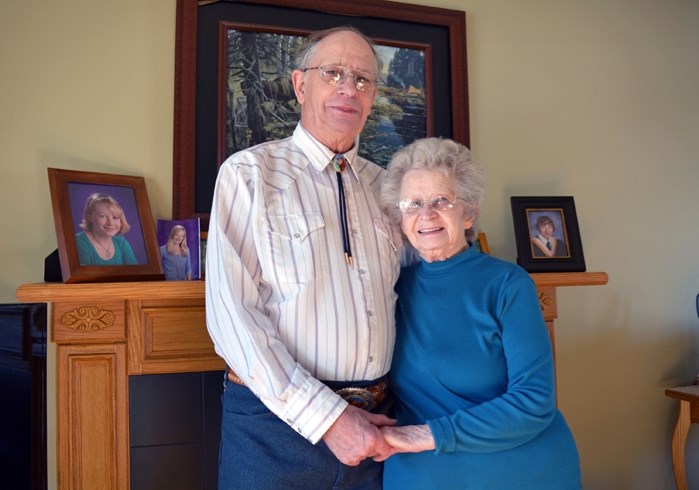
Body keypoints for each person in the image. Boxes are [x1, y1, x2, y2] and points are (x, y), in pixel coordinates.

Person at [205, 26, 403, 489]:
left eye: (362, 79)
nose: (347, 88)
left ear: (373, 96)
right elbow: (232, 317)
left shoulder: (390, 188)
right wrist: (331, 420)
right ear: (300, 84)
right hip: (273, 427)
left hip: (379, 425)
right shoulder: (249, 174)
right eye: (332, 73)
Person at [377, 137, 581, 489]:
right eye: (413, 204)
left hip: (522, 472)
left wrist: (425, 435)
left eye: (442, 200)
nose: (426, 214)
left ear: (468, 211)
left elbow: (534, 402)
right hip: (423, 474)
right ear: (399, 217)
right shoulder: (390, 289)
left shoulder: (507, 284)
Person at [75, 193, 138, 265]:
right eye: (102, 216)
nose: (110, 223)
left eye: (115, 217)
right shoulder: (78, 242)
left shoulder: (121, 243)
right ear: (90, 216)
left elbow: (136, 273)